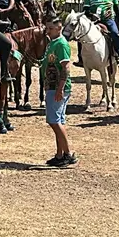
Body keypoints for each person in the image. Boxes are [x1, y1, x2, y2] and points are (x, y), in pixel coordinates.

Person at [42, 17, 76, 167]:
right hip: (52, 86)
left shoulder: (61, 44)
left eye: (50, 28)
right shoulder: (53, 43)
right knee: (58, 121)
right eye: (47, 28)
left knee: (54, 121)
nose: (47, 31)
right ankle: (59, 154)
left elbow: (65, 67)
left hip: (56, 87)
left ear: (59, 28)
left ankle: (68, 154)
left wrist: (60, 88)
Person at [81, 0, 119, 66]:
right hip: (94, 21)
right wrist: (92, 15)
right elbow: (85, 11)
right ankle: (81, 58)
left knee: (115, 33)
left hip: (109, 20)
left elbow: (118, 11)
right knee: (82, 35)